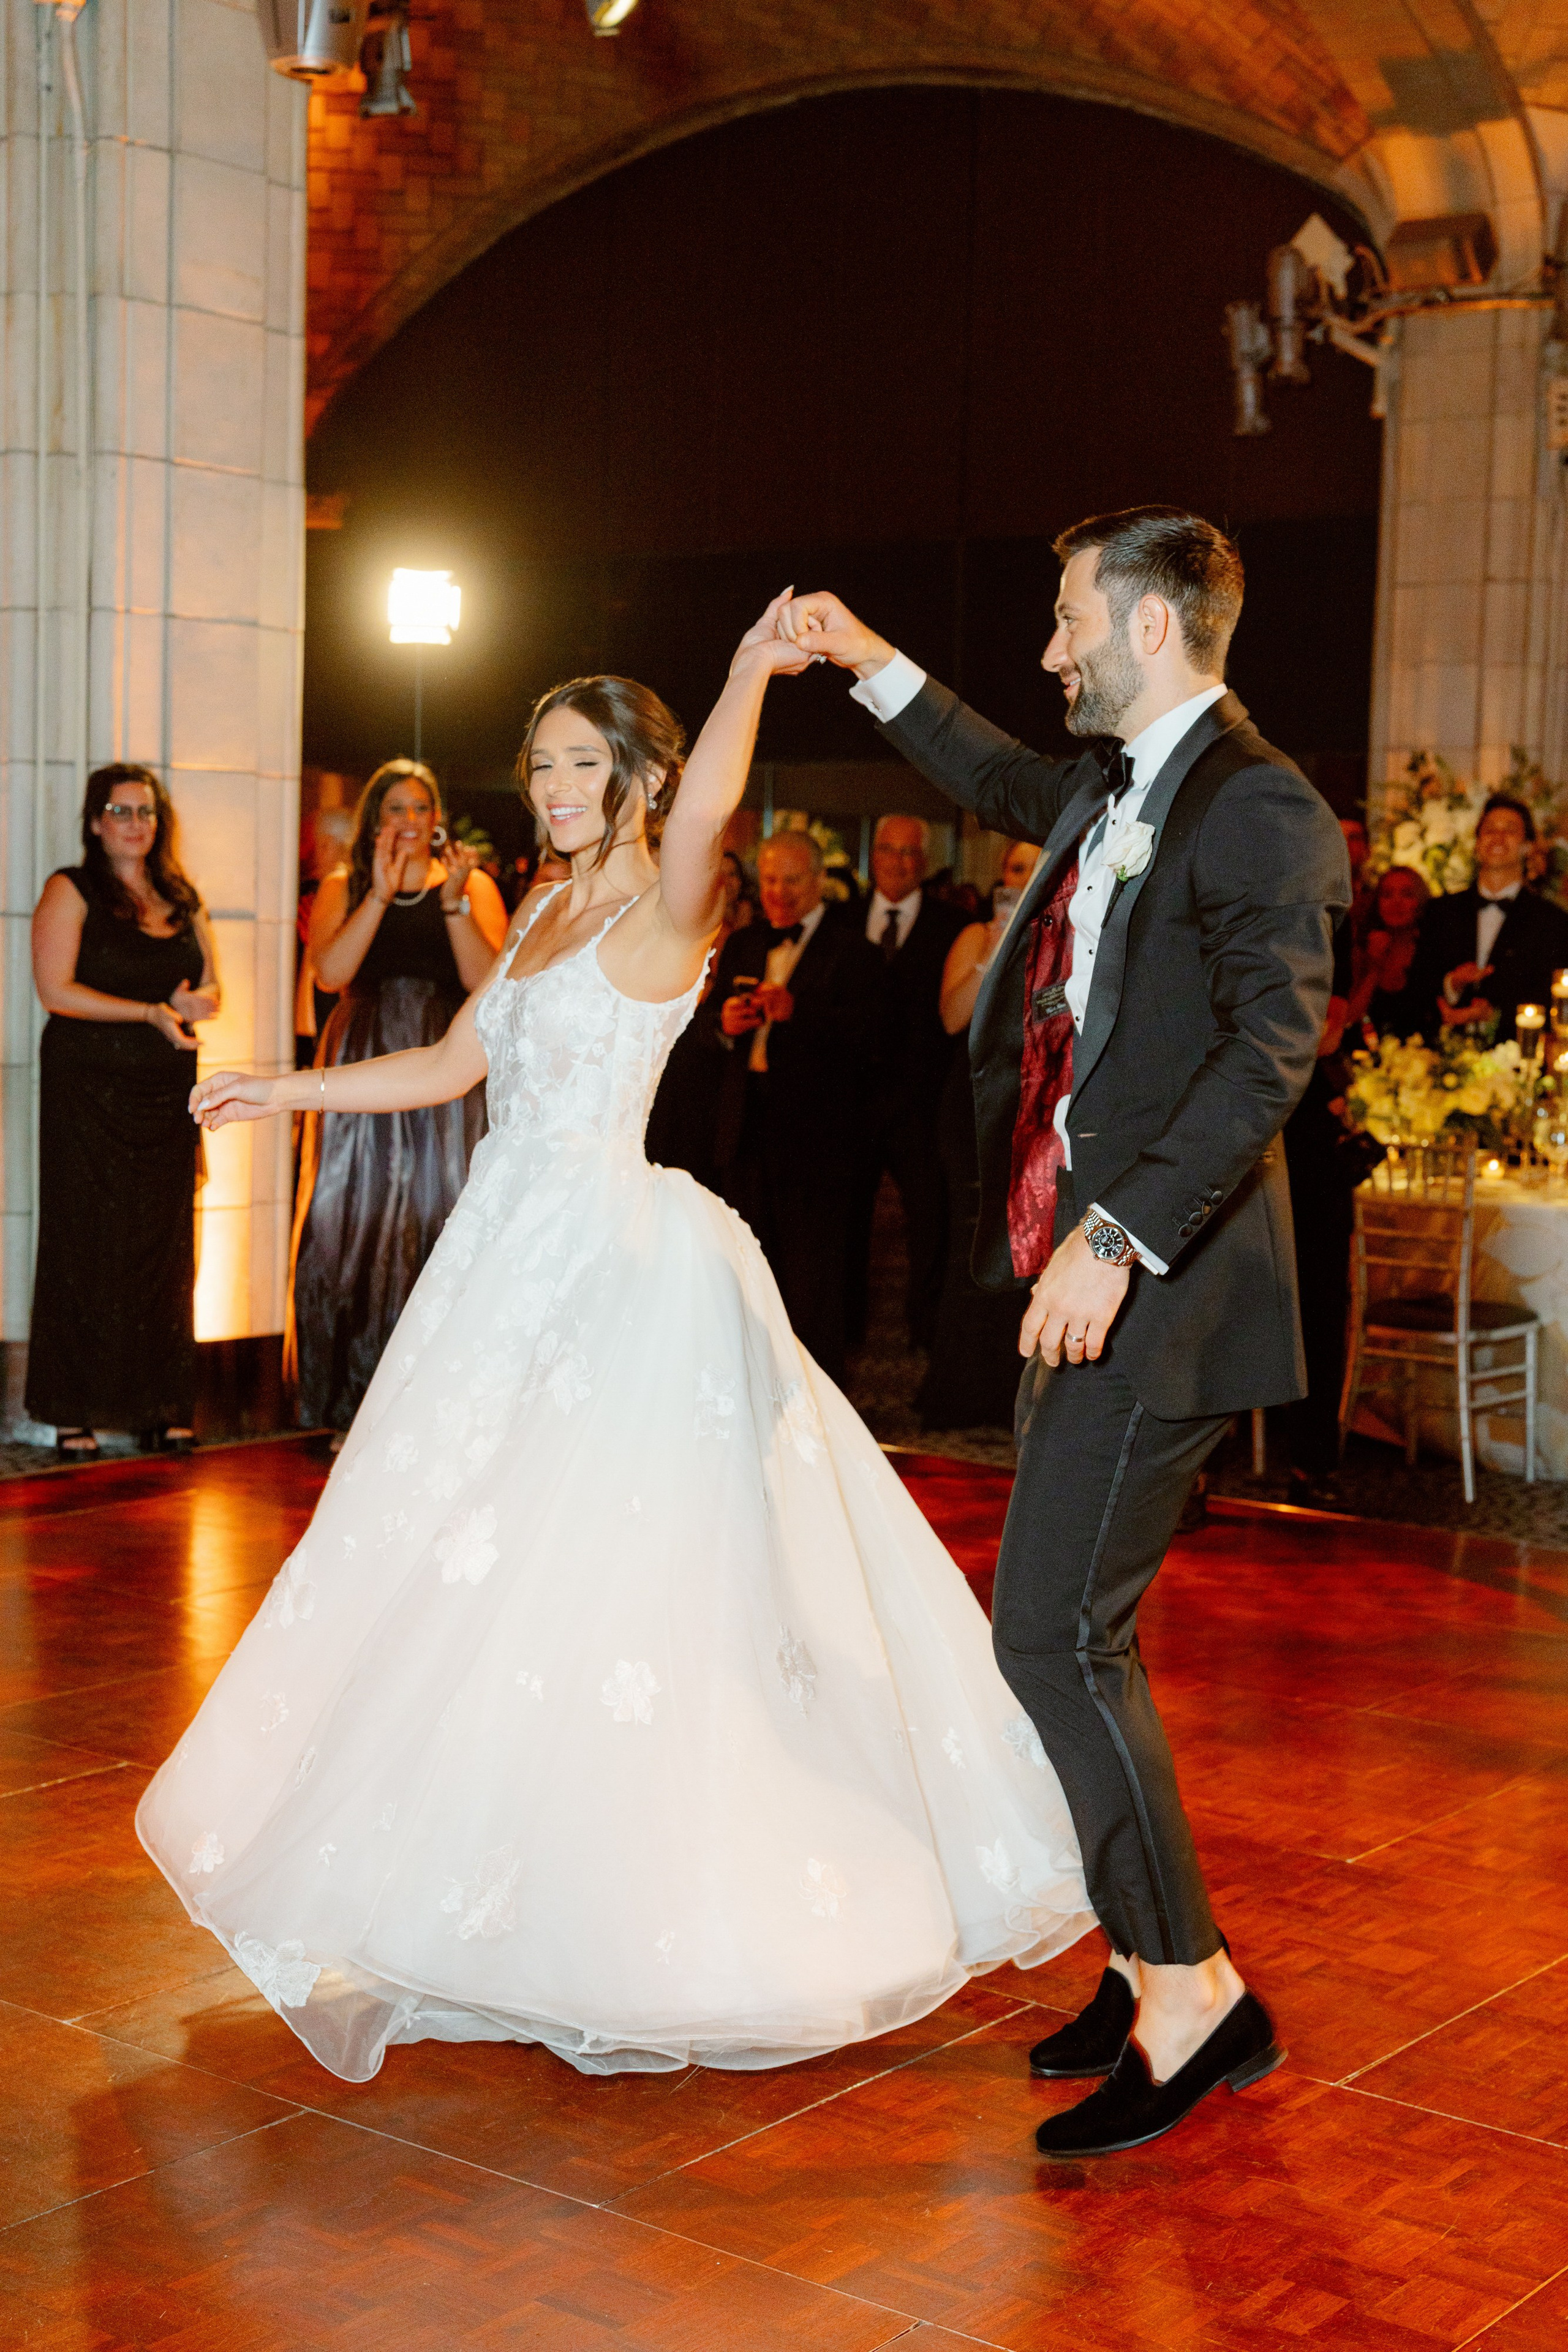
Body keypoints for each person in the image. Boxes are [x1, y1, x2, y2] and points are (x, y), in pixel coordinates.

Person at [136, 604, 1092, 2086]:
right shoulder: (538, 906)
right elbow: (457, 1062)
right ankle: (490, 1884)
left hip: (611, 1273)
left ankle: (632, 1902)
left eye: (581, 764)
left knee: (605, 1586)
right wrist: (277, 1086)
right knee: (471, 1569)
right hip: (494, 1270)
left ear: (638, 780)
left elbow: (711, 794)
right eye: (541, 765)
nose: (555, 787)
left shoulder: (665, 900)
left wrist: (742, 673)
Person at [780, 503, 1348, 2157]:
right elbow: (991, 773)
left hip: (1152, 1295)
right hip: (1072, 1288)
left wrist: (1116, 1236)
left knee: (1049, 1640)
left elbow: (1269, 1058)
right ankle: (1148, 1952)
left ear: (1151, 627)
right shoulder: (1114, 787)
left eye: (1064, 621)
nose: (1049, 651)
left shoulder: (1263, 812)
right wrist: (869, 660)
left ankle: (1191, 1996)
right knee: (1074, 1638)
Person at [288, 761, 507, 1438]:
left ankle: (428, 1409)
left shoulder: (474, 886)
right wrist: (378, 896)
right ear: (374, 820)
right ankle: (340, 1405)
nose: (409, 821)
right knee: (345, 1218)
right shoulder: (342, 884)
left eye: (420, 808)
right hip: (363, 1053)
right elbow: (331, 974)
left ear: (436, 817)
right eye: (394, 809)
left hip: (447, 1058)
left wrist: (452, 903)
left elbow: (486, 983)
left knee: (438, 1211)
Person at [27, 764, 219, 1459]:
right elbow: (55, 990)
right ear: (94, 821)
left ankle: (162, 1405)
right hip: (88, 1091)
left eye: (145, 811)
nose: (135, 823)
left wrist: (197, 1004)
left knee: (164, 1249)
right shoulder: (70, 889)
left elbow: (209, 983)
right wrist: (149, 1012)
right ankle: (71, 1409)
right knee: (85, 1243)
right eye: (120, 811)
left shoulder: (178, 894)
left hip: (165, 1092)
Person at [706, 830, 888, 1381]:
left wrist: (798, 1013)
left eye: (790, 880)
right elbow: (707, 1025)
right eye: (769, 880)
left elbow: (872, 1042)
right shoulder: (743, 944)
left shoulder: (854, 951)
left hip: (817, 1135)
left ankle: (814, 1393)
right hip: (747, 1124)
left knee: (813, 1276)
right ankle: (748, 1381)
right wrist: (724, 1026)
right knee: (745, 1263)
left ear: (817, 883)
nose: (778, 892)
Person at [918, 840, 1041, 1430]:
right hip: (973, 1103)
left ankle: (1015, 1393)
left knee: (1028, 1248)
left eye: (1038, 867)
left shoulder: (1068, 934)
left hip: (1039, 1105)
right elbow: (952, 1017)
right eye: (1017, 868)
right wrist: (993, 952)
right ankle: (960, 1392)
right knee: (975, 1240)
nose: (1024, 877)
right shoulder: (976, 935)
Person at [848, 816, 968, 1349]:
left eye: (908, 853)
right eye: (887, 850)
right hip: (849, 1104)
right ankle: (845, 1329)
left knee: (929, 1224)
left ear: (924, 862)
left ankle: (925, 1333)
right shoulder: (842, 919)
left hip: (923, 1106)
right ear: (872, 856)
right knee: (846, 1222)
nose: (897, 862)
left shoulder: (954, 927)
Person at [1405, 795, 1568, 1042]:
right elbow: (1417, 986)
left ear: (1527, 846)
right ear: (1478, 842)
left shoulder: (1552, 921)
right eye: (1490, 830)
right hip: (1442, 1058)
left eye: (1510, 831)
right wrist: (1452, 985)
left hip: (1513, 1061)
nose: (1498, 838)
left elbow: (1553, 999)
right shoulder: (1440, 911)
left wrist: (1495, 1016)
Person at [643, 849, 755, 1183]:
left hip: (724, 1070)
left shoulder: (755, 933)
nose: (725, 882)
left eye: (732, 874)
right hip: (677, 1064)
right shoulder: (673, 928)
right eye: (716, 874)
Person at [1344, 864, 1430, 1041]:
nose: (1396, 902)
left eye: (1406, 894)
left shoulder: (1432, 950)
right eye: (1387, 895)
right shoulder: (1361, 951)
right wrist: (1374, 968)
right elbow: (1347, 1020)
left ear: (1420, 901)